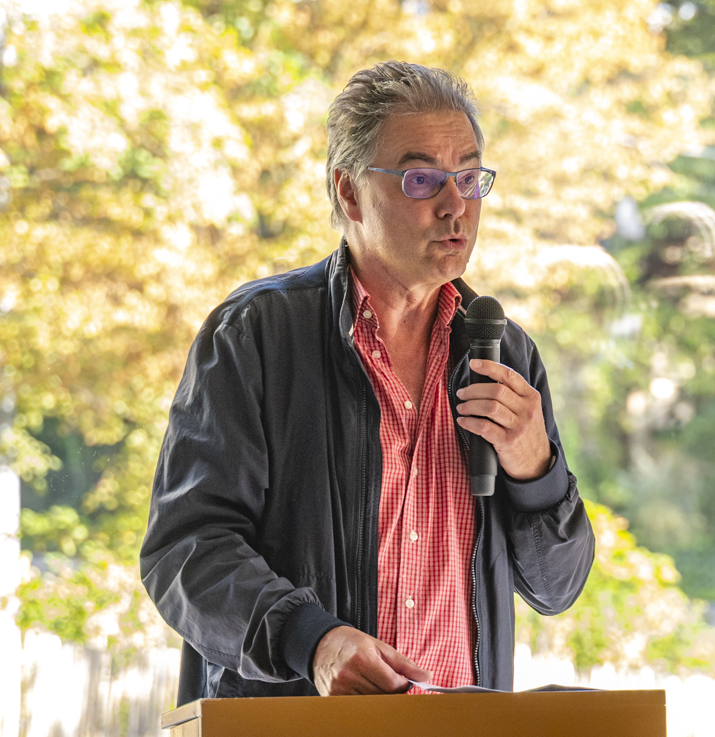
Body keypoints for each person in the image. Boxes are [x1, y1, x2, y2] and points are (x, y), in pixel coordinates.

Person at [140, 62, 594, 702]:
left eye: (469, 178)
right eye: (421, 179)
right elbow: (186, 552)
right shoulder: (257, 335)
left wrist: (534, 468)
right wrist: (313, 642)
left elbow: (557, 587)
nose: (455, 205)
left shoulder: (504, 353)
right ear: (349, 193)